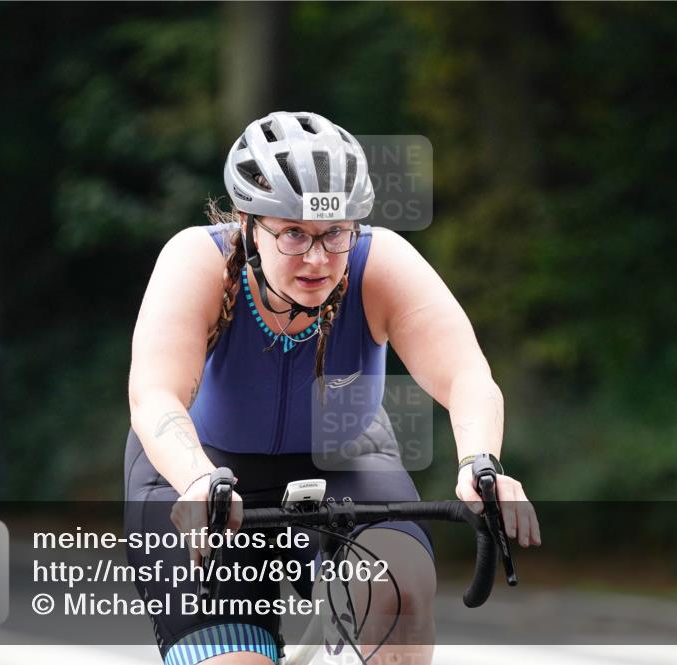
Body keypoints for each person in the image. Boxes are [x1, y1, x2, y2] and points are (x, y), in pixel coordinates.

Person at [123, 111, 541, 665]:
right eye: (294, 233)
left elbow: (467, 374)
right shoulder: (197, 261)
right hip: (198, 471)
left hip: (346, 462)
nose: (318, 259)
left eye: (335, 233)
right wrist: (197, 479)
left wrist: (480, 462)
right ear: (248, 223)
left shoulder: (380, 263)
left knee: (399, 590)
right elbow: (154, 394)